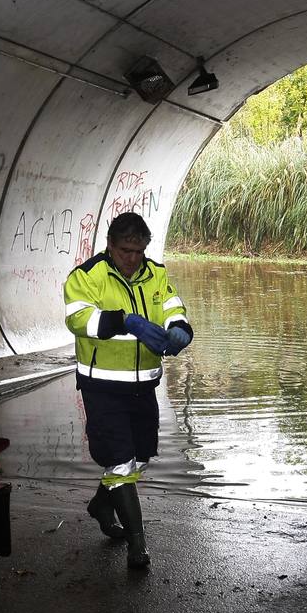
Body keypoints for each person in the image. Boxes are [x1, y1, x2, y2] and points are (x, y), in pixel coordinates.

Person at [62, 212, 193, 568]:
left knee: (139, 458)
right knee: (120, 462)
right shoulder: (87, 276)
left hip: (142, 386)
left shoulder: (156, 274)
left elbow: (171, 306)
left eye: (139, 251)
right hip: (102, 386)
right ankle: (138, 544)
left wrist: (180, 327)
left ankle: (101, 504)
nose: (133, 259)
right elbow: (78, 318)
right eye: (125, 251)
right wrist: (124, 320)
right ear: (110, 246)